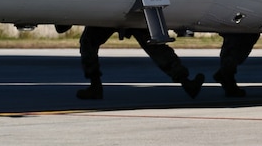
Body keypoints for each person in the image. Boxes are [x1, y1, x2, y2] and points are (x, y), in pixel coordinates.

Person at [76, 24, 206, 101]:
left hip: (114, 9)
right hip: (130, 7)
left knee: (88, 42)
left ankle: (95, 86)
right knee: (155, 46)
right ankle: (186, 82)